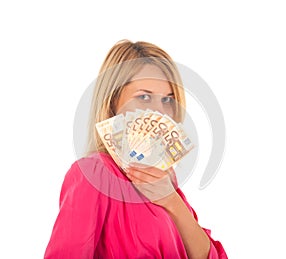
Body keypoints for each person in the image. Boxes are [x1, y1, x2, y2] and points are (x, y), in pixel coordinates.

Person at [44, 40, 228, 259]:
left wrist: (171, 199)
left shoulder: (165, 178)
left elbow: (210, 256)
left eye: (168, 99)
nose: (160, 112)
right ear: (112, 102)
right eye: (144, 96)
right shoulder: (92, 173)